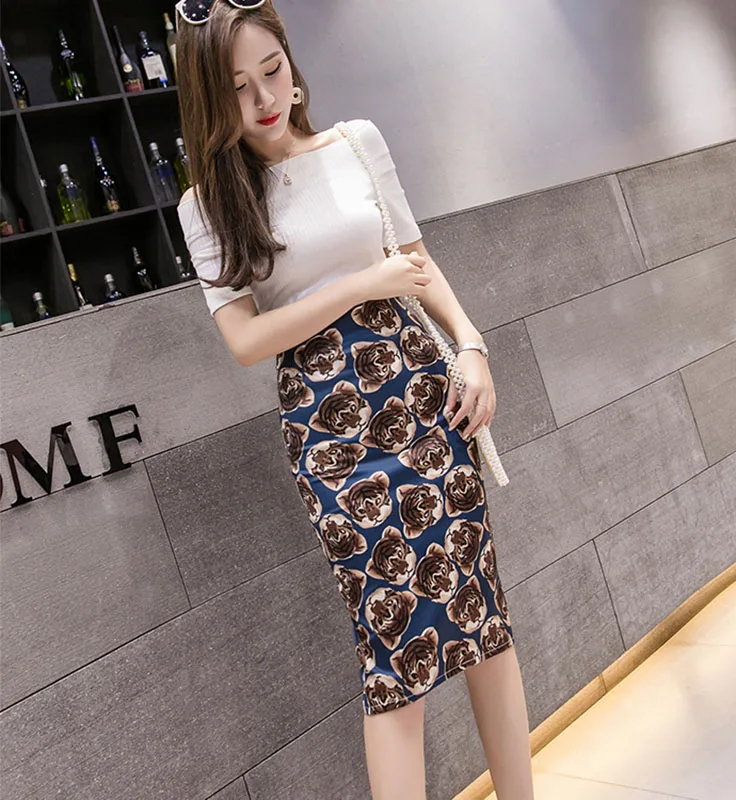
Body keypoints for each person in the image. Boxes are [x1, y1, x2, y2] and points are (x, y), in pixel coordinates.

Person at [174, 2, 534, 798]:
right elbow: (246, 341)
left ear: (291, 63)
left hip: (422, 391)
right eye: (237, 87)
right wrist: (363, 283)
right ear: (209, 98)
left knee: (482, 611)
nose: (264, 98)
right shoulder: (205, 205)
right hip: (330, 434)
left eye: (272, 71)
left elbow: (417, 261)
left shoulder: (356, 144)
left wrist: (472, 345)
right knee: (392, 651)